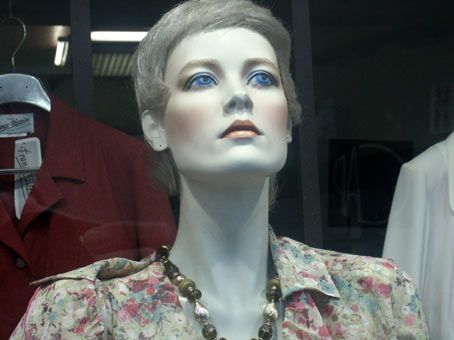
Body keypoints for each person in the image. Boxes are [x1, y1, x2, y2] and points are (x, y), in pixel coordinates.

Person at [11, 0, 428, 339]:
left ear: (287, 121)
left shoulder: (378, 299)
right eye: (202, 80)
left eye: (262, 78)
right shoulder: (77, 317)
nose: (240, 97)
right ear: (156, 127)